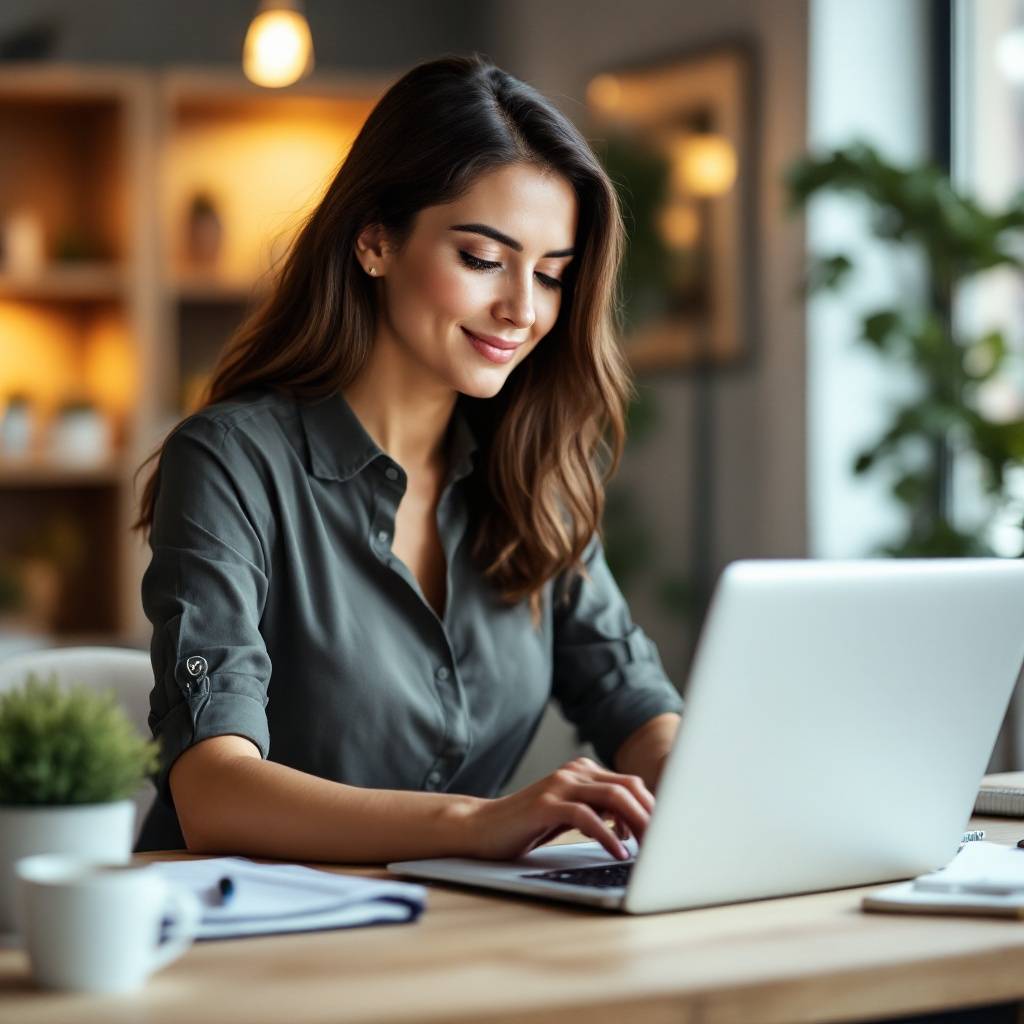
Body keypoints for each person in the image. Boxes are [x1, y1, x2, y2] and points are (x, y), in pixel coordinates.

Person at [132, 53, 683, 862]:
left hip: (452, 934)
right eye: (482, 260)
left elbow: (633, 704)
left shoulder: (531, 478)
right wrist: (476, 823)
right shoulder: (230, 462)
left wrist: (694, 787)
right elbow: (213, 789)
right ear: (376, 242)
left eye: (553, 276)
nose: (523, 311)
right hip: (244, 944)